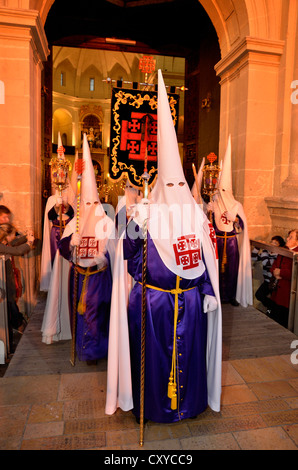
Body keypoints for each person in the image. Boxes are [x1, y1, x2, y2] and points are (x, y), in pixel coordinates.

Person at [105, 70, 222, 424]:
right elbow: (127, 258)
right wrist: (134, 227)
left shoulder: (195, 216)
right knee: (154, 360)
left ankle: (189, 405)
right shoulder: (147, 213)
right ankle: (156, 408)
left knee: (189, 356)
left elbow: (202, 258)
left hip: (188, 300)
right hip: (152, 301)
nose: (172, 188)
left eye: (178, 183)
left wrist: (206, 289)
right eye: (166, 182)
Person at [58, 133, 116, 364]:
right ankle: (83, 350)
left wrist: (106, 257)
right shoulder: (75, 221)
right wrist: (70, 241)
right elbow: (62, 249)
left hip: (99, 278)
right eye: (87, 203)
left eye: (94, 203)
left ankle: (99, 351)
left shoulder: (106, 221)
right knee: (80, 315)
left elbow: (116, 249)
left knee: (99, 315)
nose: (91, 208)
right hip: (79, 277)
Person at [208, 135, 253, 307]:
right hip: (218, 241)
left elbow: (242, 226)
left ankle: (232, 295)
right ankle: (218, 295)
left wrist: (234, 220)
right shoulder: (214, 202)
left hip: (232, 242)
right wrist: (209, 213)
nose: (222, 193)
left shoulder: (236, 205)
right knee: (218, 270)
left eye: (225, 190)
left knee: (231, 270)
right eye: (221, 189)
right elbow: (209, 225)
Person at [40, 133, 75, 292]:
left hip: (67, 232)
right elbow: (49, 217)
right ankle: (54, 287)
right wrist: (56, 207)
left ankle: (67, 283)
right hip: (55, 234)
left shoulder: (71, 196)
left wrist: (67, 206)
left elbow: (75, 216)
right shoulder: (51, 199)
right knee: (55, 260)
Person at [0, 223, 34, 349]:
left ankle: (13, 332)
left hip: (7, 281)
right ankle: (17, 327)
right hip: (3, 283)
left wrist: (26, 237)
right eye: (13, 234)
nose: (14, 237)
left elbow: (15, 243)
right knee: (9, 306)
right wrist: (29, 243)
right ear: (6, 236)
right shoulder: (1, 246)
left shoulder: (4, 243)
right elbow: (17, 250)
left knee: (10, 305)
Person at [269, 229, 298, 328]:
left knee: (283, 321)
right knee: (274, 318)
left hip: (288, 294)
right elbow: (274, 266)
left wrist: (280, 272)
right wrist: (275, 272)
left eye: (291, 237)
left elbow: (295, 273)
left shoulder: (297, 253)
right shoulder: (284, 249)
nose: (287, 239)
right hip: (277, 290)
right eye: (288, 236)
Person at [251, 235, 285, 313]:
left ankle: (271, 311)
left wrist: (265, 250)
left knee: (272, 299)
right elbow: (253, 259)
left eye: (275, 243)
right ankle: (270, 309)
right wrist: (257, 247)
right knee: (259, 295)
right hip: (267, 281)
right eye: (271, 242)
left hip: (274, 282)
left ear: (279, 246)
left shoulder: (278, 255)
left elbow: (266, 263)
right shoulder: (266, 252)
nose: (272, 244)